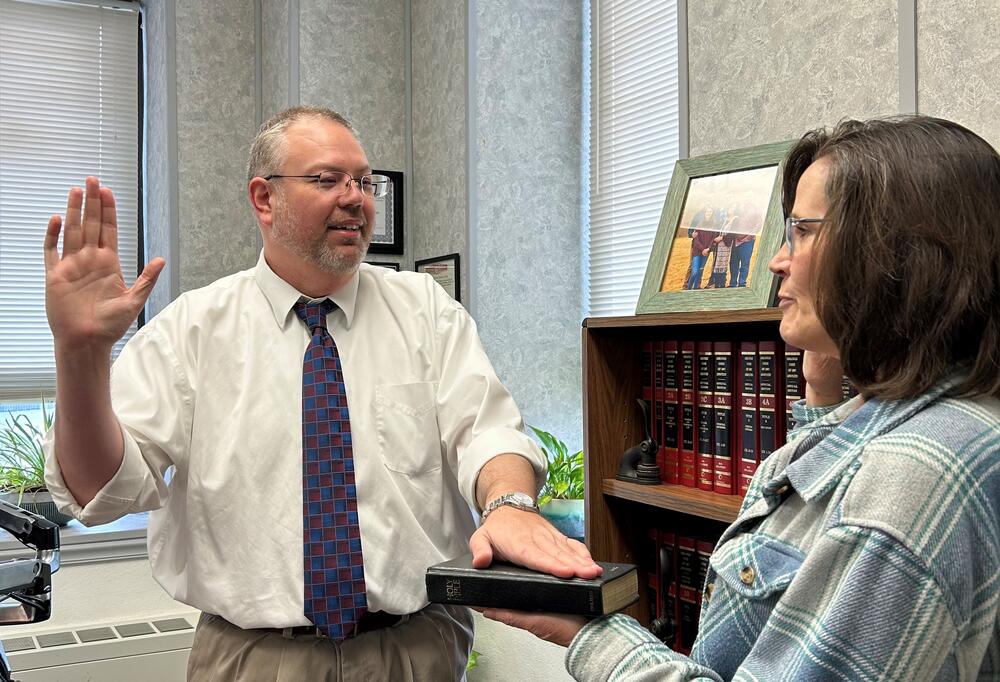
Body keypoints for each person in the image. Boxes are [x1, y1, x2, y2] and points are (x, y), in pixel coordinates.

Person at [41, 105, 599, 681]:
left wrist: (509, 505)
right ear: (264, 199)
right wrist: (80, 356)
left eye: (363, 180)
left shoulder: (426, 312)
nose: (355, 197)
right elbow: (101, 490)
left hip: (416, 651)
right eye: (327, 179)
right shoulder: (191, 332)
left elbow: (486, 431)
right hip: (255, 658)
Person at [486, 115, 1000, 680]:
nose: (778, 260)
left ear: (895, 255)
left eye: (802, 232)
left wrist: (592, 633)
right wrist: (823, 388)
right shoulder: (948, 424)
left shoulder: (917, 475)